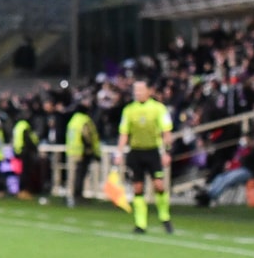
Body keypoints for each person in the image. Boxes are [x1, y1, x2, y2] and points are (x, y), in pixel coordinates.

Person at [114, 80, 174, 234]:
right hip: (135, 152)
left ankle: (165, 217)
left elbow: (166, 132)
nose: (138, 93)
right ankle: (140, 223)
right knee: (137, 187)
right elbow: (124, 133)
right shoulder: (129, 110)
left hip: (153, 152)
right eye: (135, 90)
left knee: (159, 185)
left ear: (149, 91)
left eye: (141, 90)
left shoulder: (158, 108)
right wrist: (119, 153)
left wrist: (167, 152)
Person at [65, 99, 101, 207]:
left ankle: (70, 196)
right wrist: (93, 151)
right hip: (81, 152)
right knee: (79, 175)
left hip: (71, 151)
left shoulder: (72, 121)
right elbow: (88, 137)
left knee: (72, 175)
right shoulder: (85, 121)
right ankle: (77, 196)